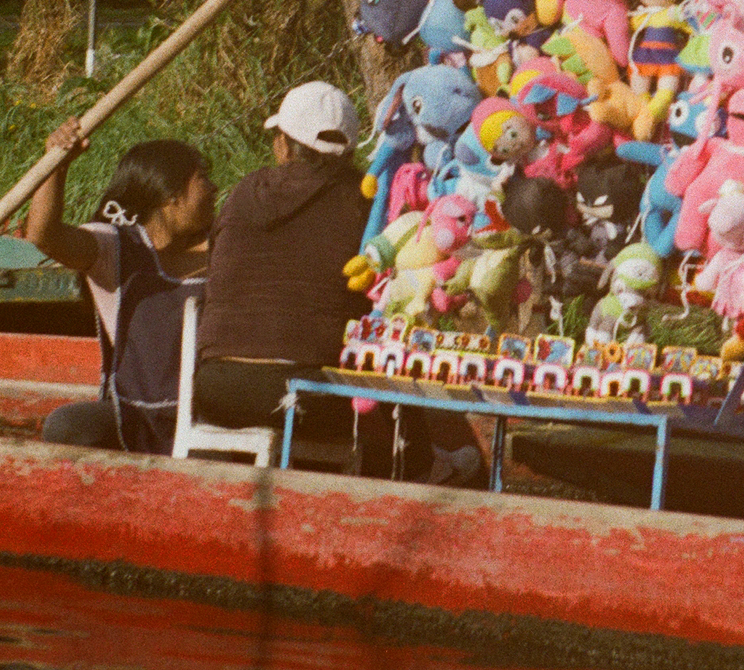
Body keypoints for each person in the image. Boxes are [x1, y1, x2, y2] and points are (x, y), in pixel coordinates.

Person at [193, 81, 481, 484]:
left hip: (216, 388)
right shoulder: (366, 203)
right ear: (348, 150)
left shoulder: (242, 193)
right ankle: (420, 464)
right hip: (311, 398)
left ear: (283, 145)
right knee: (395, 321)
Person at [26, 129, 215, 452]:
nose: (213, 189)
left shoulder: (223, 246)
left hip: (206, 415)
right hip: (135, 420)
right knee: (67, 425)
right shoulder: (114, 247)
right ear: (170, 193)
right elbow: (44, 235)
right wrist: (56, 165)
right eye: (202, 179)